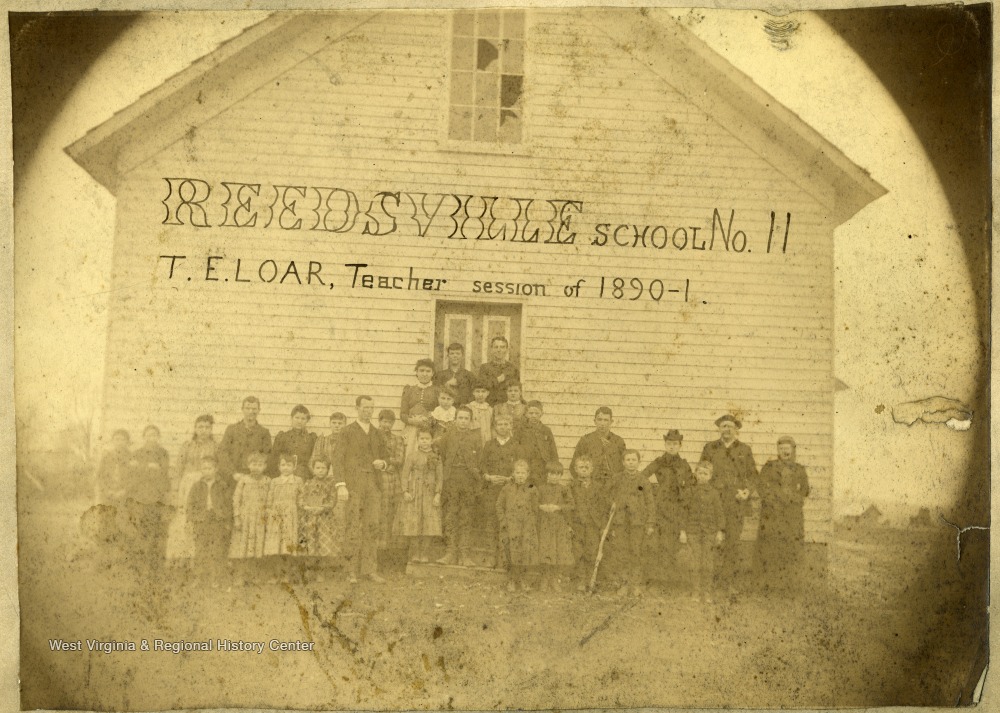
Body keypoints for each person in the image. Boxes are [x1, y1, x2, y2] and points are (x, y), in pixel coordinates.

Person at [332, 395, 388, 584]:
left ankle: (369, 569)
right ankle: (351, 570)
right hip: (353, 484)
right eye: (365, 408)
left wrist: (383, 463)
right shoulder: (347, 432)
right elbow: (337, 458)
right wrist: (341, 485)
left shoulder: (377, 433)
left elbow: (385, 456)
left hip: (372, 484)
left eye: (371, 408)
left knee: (372, 526)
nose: (368, 411)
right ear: (357, 408)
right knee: (352, 526)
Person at [700, 414, 757, 591]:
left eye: (730, 426)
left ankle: (728, 582)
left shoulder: (745, 450)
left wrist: (747, 491)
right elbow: (702, 471)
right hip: (713, 502)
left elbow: (753, 476)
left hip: (735, 502)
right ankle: (710, 581)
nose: (727, 429)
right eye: (724, 426)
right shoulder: (710, 448)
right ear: (719, 429)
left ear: (736, 430)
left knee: (732, 541)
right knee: (712, 540)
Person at [755, 436, 810, 590]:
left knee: (790, 547)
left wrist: (794, 499)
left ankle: (789, 586)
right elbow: (760, 486)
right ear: (777, 450)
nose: (785, 451)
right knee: (770, 547)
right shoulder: (770, 466)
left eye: (788, 448)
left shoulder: (799, 469)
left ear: (792, 450)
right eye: (781, 448)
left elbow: (805, 490)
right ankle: (768, 585)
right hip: (772, 513)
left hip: (792, 516)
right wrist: (771, 499)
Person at [642, 430, 695, 586]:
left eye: (675, 444)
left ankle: (671, 580)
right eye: (669, 444)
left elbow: (691, 484)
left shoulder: (684, 464)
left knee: (672, 543)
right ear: (665, 445)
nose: (672, 447)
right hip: (661, 507)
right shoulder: (658, 462)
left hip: (677, 508)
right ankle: (658, 579)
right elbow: (642, 477)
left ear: (680, 446)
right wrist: (652, 492)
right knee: (659, 543)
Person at [166, 414, 216, 563]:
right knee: (184, 519)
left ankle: (198, 557)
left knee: (201, 518)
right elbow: (179, 468)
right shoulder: (187, 445)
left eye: (207, 427)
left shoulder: (214, 445)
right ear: (195, 428)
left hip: (205, 484)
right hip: (187, 485)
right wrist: (175, 490)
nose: (203, 430)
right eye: (200, 427)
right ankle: (182, 557)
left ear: (211, 429)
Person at [436, 405, 482, 566]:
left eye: (466, 419)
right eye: (460, 418)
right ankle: (450, 552)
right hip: (451, 479)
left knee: (466, 516)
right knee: (450, 515)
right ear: (455, 420)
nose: (463, 421)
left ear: (470, 421)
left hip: (468, 479)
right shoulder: (448, 435)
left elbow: (479, 459)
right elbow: (441, 453)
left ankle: (464, 554)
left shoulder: (476, 437)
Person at [606, 449, 655, 595]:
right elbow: (606, 495)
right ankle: (624, 583)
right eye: (628, 460)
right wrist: (612, 503)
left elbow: (650, 503)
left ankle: (636, 584)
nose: (631, 463)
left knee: (636, 552)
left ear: (639, 462)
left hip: (637, 524)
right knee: (622, 552)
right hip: (620, 522)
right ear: (623, 462)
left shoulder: (643, 481)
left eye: (634, 460)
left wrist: (650, 523)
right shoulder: (616, 478)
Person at [124, 425, 171, 570]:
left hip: (157, 497)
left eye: (155, 435)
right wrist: (148, 468)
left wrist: (145, 469)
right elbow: (133, 474)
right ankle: (140, 563)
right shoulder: (137, 453)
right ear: (144, 437)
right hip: (141, 497)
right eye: (149, 435)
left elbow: (163, 473)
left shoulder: (163, 453)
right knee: (141, 530)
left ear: (158, 437)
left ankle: (155, 564)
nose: (152, 438)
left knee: (157, 530)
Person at [394, 428, 443, 566]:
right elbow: (404, 475)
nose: (424, 441)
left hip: (430, 492)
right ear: (417, 440)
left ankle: (425, 553)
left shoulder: (436, 457)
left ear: (431, 440)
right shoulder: (412, 456)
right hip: (415, 492)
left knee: (429, 523)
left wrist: (438, 494)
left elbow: (440, 477)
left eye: (427, 439)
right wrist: (405, 491)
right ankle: (415, 553)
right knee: (414, 522)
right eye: (422, 439)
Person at [679, 460, 725, 603]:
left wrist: (719, 531)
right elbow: (683, 512)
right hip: (693, 531)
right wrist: (682, 531)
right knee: (695, 562)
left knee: (708, 562)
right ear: (696, 474)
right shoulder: (689, 491)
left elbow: (719, 513)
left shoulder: (714, 493)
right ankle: (696, 591)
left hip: (709, 532)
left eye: (706, 473)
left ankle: (707, 592)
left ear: (710, 476)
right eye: (700, 473)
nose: (702, 476)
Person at [479, 412, 520, 569]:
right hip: (491, 489)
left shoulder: (516, 446)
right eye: (500, 425)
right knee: (491, 522)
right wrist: (488, 477)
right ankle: (491, 556)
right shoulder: (489, 445)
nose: (503, 427)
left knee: (507, 523)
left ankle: (504, 558)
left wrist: (511, 478)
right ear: (495, 427)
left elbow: (520, 466)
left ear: (511, 427)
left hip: (509, 490)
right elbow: (482, 465)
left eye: (506, 424)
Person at [297, 457, 345, 583]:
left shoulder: (330, 484)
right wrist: (306, 507)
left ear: (328, 470)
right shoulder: (307, 483)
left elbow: (332, 500)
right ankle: (310, 571)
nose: (320, 471)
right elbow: (301, 498)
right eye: (317, 468)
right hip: (310, 518)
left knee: (322, 545)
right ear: (313, 469)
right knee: (310, 544)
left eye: (323, 468)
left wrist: (322, 508)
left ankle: (321, 572)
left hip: (324, 519)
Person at [187, 454, 232, 585]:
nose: (207, 471)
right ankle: (199, 577)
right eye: (204, 468)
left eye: (210, 468)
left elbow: (228, 504)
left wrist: (226, 520)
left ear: (216, 469)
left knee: (217, 549)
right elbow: (190, 504)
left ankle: (215, 578)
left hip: (217, 519)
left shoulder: (222, 485)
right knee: (201, 548)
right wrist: (192, 519)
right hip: (201, 519)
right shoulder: (196, 486)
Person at [495, 459, 539, 592]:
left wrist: (531, 523)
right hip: (510, 526)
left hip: (526, 526)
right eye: (517, 472)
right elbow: (499, 506)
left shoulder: (532, 489)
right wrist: (503, 521)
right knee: (511, 552)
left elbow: (535, 508)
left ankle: (523, 580)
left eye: (523, 473)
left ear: (527, 474)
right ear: (513, 474)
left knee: (525, 552)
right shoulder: (507, 489)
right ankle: (512, 580)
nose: (520, 475)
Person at [228, 451, 271, 582]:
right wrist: (237, 517)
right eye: (253, 464)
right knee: (243, 546)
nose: (256, 467)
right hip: (245, 517)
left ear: (264, 466)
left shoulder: (267, 481)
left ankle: (255, 576)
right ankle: (241, 576)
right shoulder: (244, 480)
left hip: (260, 517)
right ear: (248, 465)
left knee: (258, 546)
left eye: (259, 464)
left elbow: (270, 499)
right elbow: (236, 499)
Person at [263, 453, 305, 582]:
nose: (285, 468)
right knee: (275, 544)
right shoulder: (274, 481)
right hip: (276, 515)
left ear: (294, 467)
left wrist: (301, 510)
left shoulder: (298, 480)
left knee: (287, 544)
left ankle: (286, 575)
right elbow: (269, 498)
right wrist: (269, 511)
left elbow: (301, 497)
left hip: (290, 515)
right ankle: (275, 574)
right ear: (278, 466)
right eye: (283, 465)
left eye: (289, 465)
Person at [570, 455, 608, 592]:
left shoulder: (598, 487)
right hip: (577, 524)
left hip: (593, 524)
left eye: (587, 467)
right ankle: (580, 580)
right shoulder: (571, 486)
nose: (584, 470)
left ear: (592, 469)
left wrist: (603, 525)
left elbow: (604, 508)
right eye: (581, 467)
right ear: (575, 469)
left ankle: (591, 580)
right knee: (578, 552)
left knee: (592, 552)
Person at [537, 461, 575, 592]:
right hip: (544, 524)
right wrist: (541, 507)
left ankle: (553, 579)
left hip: (559, 524)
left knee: (557, 551)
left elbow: (571, 505)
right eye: (551, 474)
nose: (554, 477)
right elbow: (533, 503)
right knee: (546, 551)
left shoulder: (564, 489)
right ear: (547, 474)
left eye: (557, 474)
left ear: (561, 476)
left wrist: (558, 507)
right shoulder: (540, 488)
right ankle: (544, 578)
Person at [217, 396, 272, 487]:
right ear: (242, 409)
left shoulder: (264, 433)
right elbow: (223, 453)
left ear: (259, 410)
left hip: (255, 479)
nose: (251, 411)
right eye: (247, 408)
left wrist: (256, 473)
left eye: (254, 409)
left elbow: (267, 456)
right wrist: (233, 473)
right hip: (233, 477)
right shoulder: (232, 429)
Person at [572, 407, 626, 490]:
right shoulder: (586, 440)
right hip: (591, 486)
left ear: (611, 422)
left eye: (606, 420)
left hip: (613, 486)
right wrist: (583, 482)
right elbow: (573, 465)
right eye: (599, 419)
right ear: (595, 421)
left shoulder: (618, 441)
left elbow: (625, 466)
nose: (602, 423)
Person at [376, 410, 407, 556]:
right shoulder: (372, 436)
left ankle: (387, 551)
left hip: (392, 479)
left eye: (389, 422)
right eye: (383, 421)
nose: (386, 425)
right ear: (379, 421)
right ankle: (376, 548)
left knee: (391, 512)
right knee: (378, 512)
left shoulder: (397, 439)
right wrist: (384, 465)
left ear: (393, 424)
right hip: (376, 478)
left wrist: (385, 464)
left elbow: (399, 459)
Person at [401, 358, 440, 459]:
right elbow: (403, 414)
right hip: (412, 429)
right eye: (421, 370)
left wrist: (428, 421)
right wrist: (413, 421)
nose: (424, 374)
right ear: (416, 372)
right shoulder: (409, 390)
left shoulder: (437, 391)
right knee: (411, 456)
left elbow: (441, 412)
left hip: (430, 429)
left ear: (432, 373)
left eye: (428, 371)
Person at [515, 400, 559, 486]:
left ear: (541, 414)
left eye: (536, 413)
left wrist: (554, 466)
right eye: (531, 413)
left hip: (542, 467)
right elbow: (515, 448)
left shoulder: (546, 430)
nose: (534, 416)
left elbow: (553, 450)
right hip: (526, 466)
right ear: (526, 414)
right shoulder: (521, 429)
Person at [270, 405, 316, 479]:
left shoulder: (311, 438)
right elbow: (274, 459)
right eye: (297, 418)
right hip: (285, 475)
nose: (299, 421)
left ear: (307, 420)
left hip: (304, 476)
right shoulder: (282, 437)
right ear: (291, 418)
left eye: (303, 418)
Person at [477, 336, 520, 406]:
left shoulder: (513, 369)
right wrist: (497, 380)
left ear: (507, 350)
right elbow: (481, 388)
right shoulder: (485, 368)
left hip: (507, 407)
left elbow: (518, 390)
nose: (499, 350)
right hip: (489, 406)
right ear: (491, 350)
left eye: (502, 347)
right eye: (496, 347)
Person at [96, 429, 132, 507]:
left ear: (127, 442)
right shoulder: (106, 457)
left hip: (125, 496)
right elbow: (100, 476)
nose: (119, 442)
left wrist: (124, 491)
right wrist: (107, 491)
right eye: (117, 439)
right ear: (113, 441)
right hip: (108, 495)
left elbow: (134, 477)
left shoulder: (131, 457)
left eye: (122, 439)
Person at [435, 342, 475, 406]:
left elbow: (474, 394)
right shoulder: (440, 375)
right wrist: (446, 385)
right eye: (452, 353)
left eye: (458, 353)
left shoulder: (469, 375)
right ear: (448, 356)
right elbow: (436, 393)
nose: (455, 356)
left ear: (462, 355)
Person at [467, 380, 494, 446]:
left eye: (483, 391)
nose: (480, 394)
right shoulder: (468, 407)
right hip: (472, 441)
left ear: (488, 393)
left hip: (487, 440)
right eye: (477, 391)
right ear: (473, 392)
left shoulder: (490, 409)